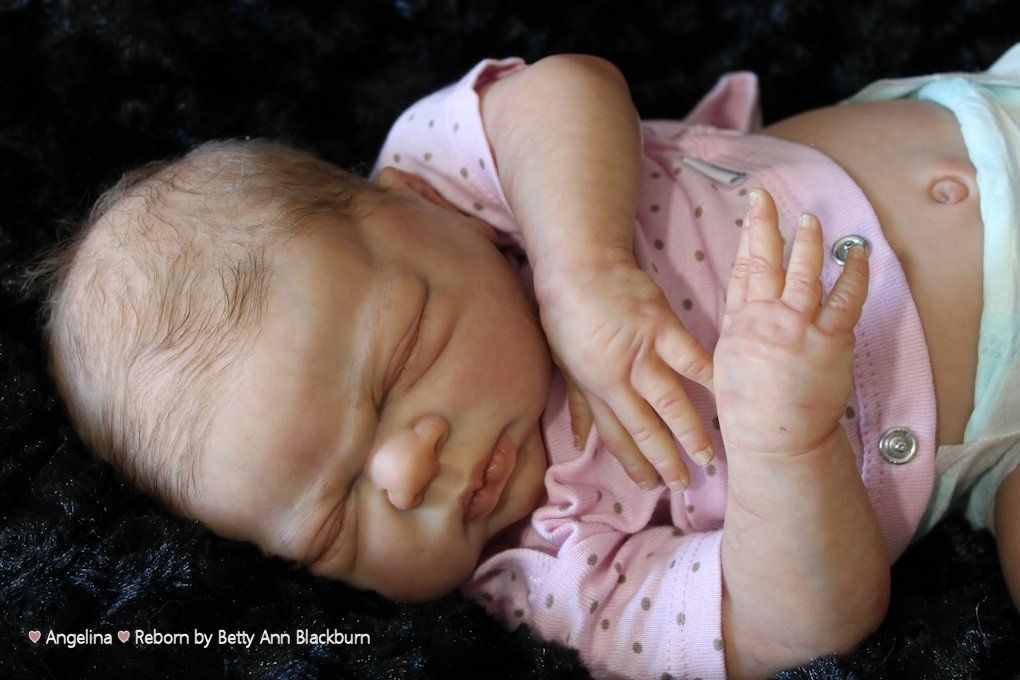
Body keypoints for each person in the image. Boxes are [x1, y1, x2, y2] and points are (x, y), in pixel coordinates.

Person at [24, 44, 1020, 678]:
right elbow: (799, 628)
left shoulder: (452, 181)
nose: (409, 470)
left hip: (984, 121)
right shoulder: (551, 579)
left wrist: (579, 267)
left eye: (401, 356)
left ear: (405, 205)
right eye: (334, 517)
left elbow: (562, 87)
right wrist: (785, 445)